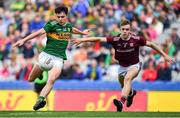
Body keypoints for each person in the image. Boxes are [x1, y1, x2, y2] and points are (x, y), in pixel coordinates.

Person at [72, 19, 175, 112]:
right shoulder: (115, 40)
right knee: (124, 85)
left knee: (127, 79)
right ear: (120, 30)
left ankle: (121, 102)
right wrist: (82, 40)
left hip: (135, 65)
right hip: (122, 67)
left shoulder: (136, 39)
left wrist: (165, 55)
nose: (125, 31)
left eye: (127, 29)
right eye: (123, 29)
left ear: (129, 30)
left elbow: (152, 44)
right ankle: (131, 94)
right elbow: (98, 39)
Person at [13, 5, 90, 111]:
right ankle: (39, 72)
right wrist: (24, 40)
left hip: (59, 59)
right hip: (47, 55)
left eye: (62, 17)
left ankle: (40, 100)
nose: (60, 19)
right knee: (31, 79)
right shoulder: (51, 24)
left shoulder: (68, 26)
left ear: (66, 16)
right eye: (58, 16)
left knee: (51, 80)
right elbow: (38, 33)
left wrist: (83, 33)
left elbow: (73, 30)